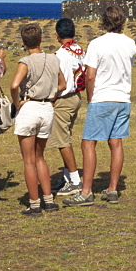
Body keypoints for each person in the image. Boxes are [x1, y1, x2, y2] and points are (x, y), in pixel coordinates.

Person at [63, 4, 136, 207]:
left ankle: (86, 192)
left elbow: (90, 75)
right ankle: (113, 189)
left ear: (104, 21)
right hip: (123, 98)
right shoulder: (130, 43)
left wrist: (91, 97)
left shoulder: (97, 44)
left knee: (88, 143)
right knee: (116, 143)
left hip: (103, 97)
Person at [10, 23, 66, 216]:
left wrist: (18, 103)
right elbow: (63, 84)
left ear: (24, 42)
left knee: (28, 160)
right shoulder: (53, 59)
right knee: (40, 156)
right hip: (47, 108)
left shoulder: (25, 61)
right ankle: (48, 200)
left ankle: (34, 204)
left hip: (30, 106)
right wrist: (51, 96)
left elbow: (15, 84)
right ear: (41, 39)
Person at [48, 17, 85, 195]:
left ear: (57, 35)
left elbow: (61, 82)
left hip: (64, 98)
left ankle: (75, 180)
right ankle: (67, 177)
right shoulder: (78, 50)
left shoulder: (60, 54)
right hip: (76, 96)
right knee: (66, 137)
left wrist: (51, 98)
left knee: (62, 140)